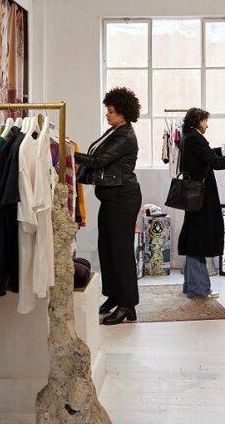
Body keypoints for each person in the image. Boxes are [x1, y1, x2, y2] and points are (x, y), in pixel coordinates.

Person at [75, 87, 143, 325]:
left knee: (121, 251)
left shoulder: (125, 136)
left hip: (123, 198)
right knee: (107, 247)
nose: (107, 115)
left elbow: (99, 160)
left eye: (111, 111)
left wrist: (71, 154)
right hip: (112, 198)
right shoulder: (115, 131)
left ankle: (127, 304)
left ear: (122, 114)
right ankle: (115, 296)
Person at [177, 107, 225, 299]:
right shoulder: (194, 138)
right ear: (198, 121)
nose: (207, 124)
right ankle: (199, 289)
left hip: (196, 197)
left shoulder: (188, 137)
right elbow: (216, 163)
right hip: (201, 197)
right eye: (205, 121)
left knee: (195, 238)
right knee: (198, 241)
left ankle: (193, 285)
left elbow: (208, 154)